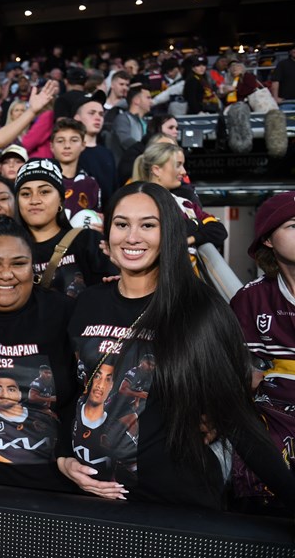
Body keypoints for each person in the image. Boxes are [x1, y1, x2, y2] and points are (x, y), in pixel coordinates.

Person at [59, 182, 295, 509]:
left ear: (169, 231)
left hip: (174, 510)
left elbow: (239, 423)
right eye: (122, 224)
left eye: (148, 225)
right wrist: (62, 459)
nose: (132, 237)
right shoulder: (88, 303)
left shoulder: (199, 308)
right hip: (95, 505)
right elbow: (74, 393)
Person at [0, 216, 77, 490]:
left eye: (18, 263)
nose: (6, 274)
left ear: (33, 267)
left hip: (55, 488)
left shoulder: (65, 313)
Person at [229, 192, 295, 512]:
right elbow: (242, 381)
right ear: (267, 239)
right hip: (271, 431)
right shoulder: (249, 299)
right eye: (294, 225)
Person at [15, 159, 115, 298]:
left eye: (44, 192)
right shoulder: (10, 249)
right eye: (26, 193)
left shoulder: (88, 240)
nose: (34, 200)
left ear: (61, 199)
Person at [130, 142, 226, 249]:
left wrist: (192, 238)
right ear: (157, 170)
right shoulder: (139, 203)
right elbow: (170, 232)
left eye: (183, 165)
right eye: (178, 165)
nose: (184, 171)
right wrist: (197, 223)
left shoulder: (184, 203)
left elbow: (219, 230)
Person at [50, 118, 101, 216]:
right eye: (60, 141)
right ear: (51, 146)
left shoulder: (91, 184)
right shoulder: (42, 180)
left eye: (74, 140)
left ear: (83, 145)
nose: (67, 146)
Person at [75, 91, 116, 203]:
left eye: (101, 114)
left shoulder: (108, 154)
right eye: (91, 113)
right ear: (77, 118)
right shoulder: (69, 152)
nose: (98, 117)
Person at [107, 84, 152, 165]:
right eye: (148, 98)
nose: (151, 101)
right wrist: (149, 152)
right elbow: (126, 141)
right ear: (137, 100)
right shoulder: (123, 119)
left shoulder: (145, 122)